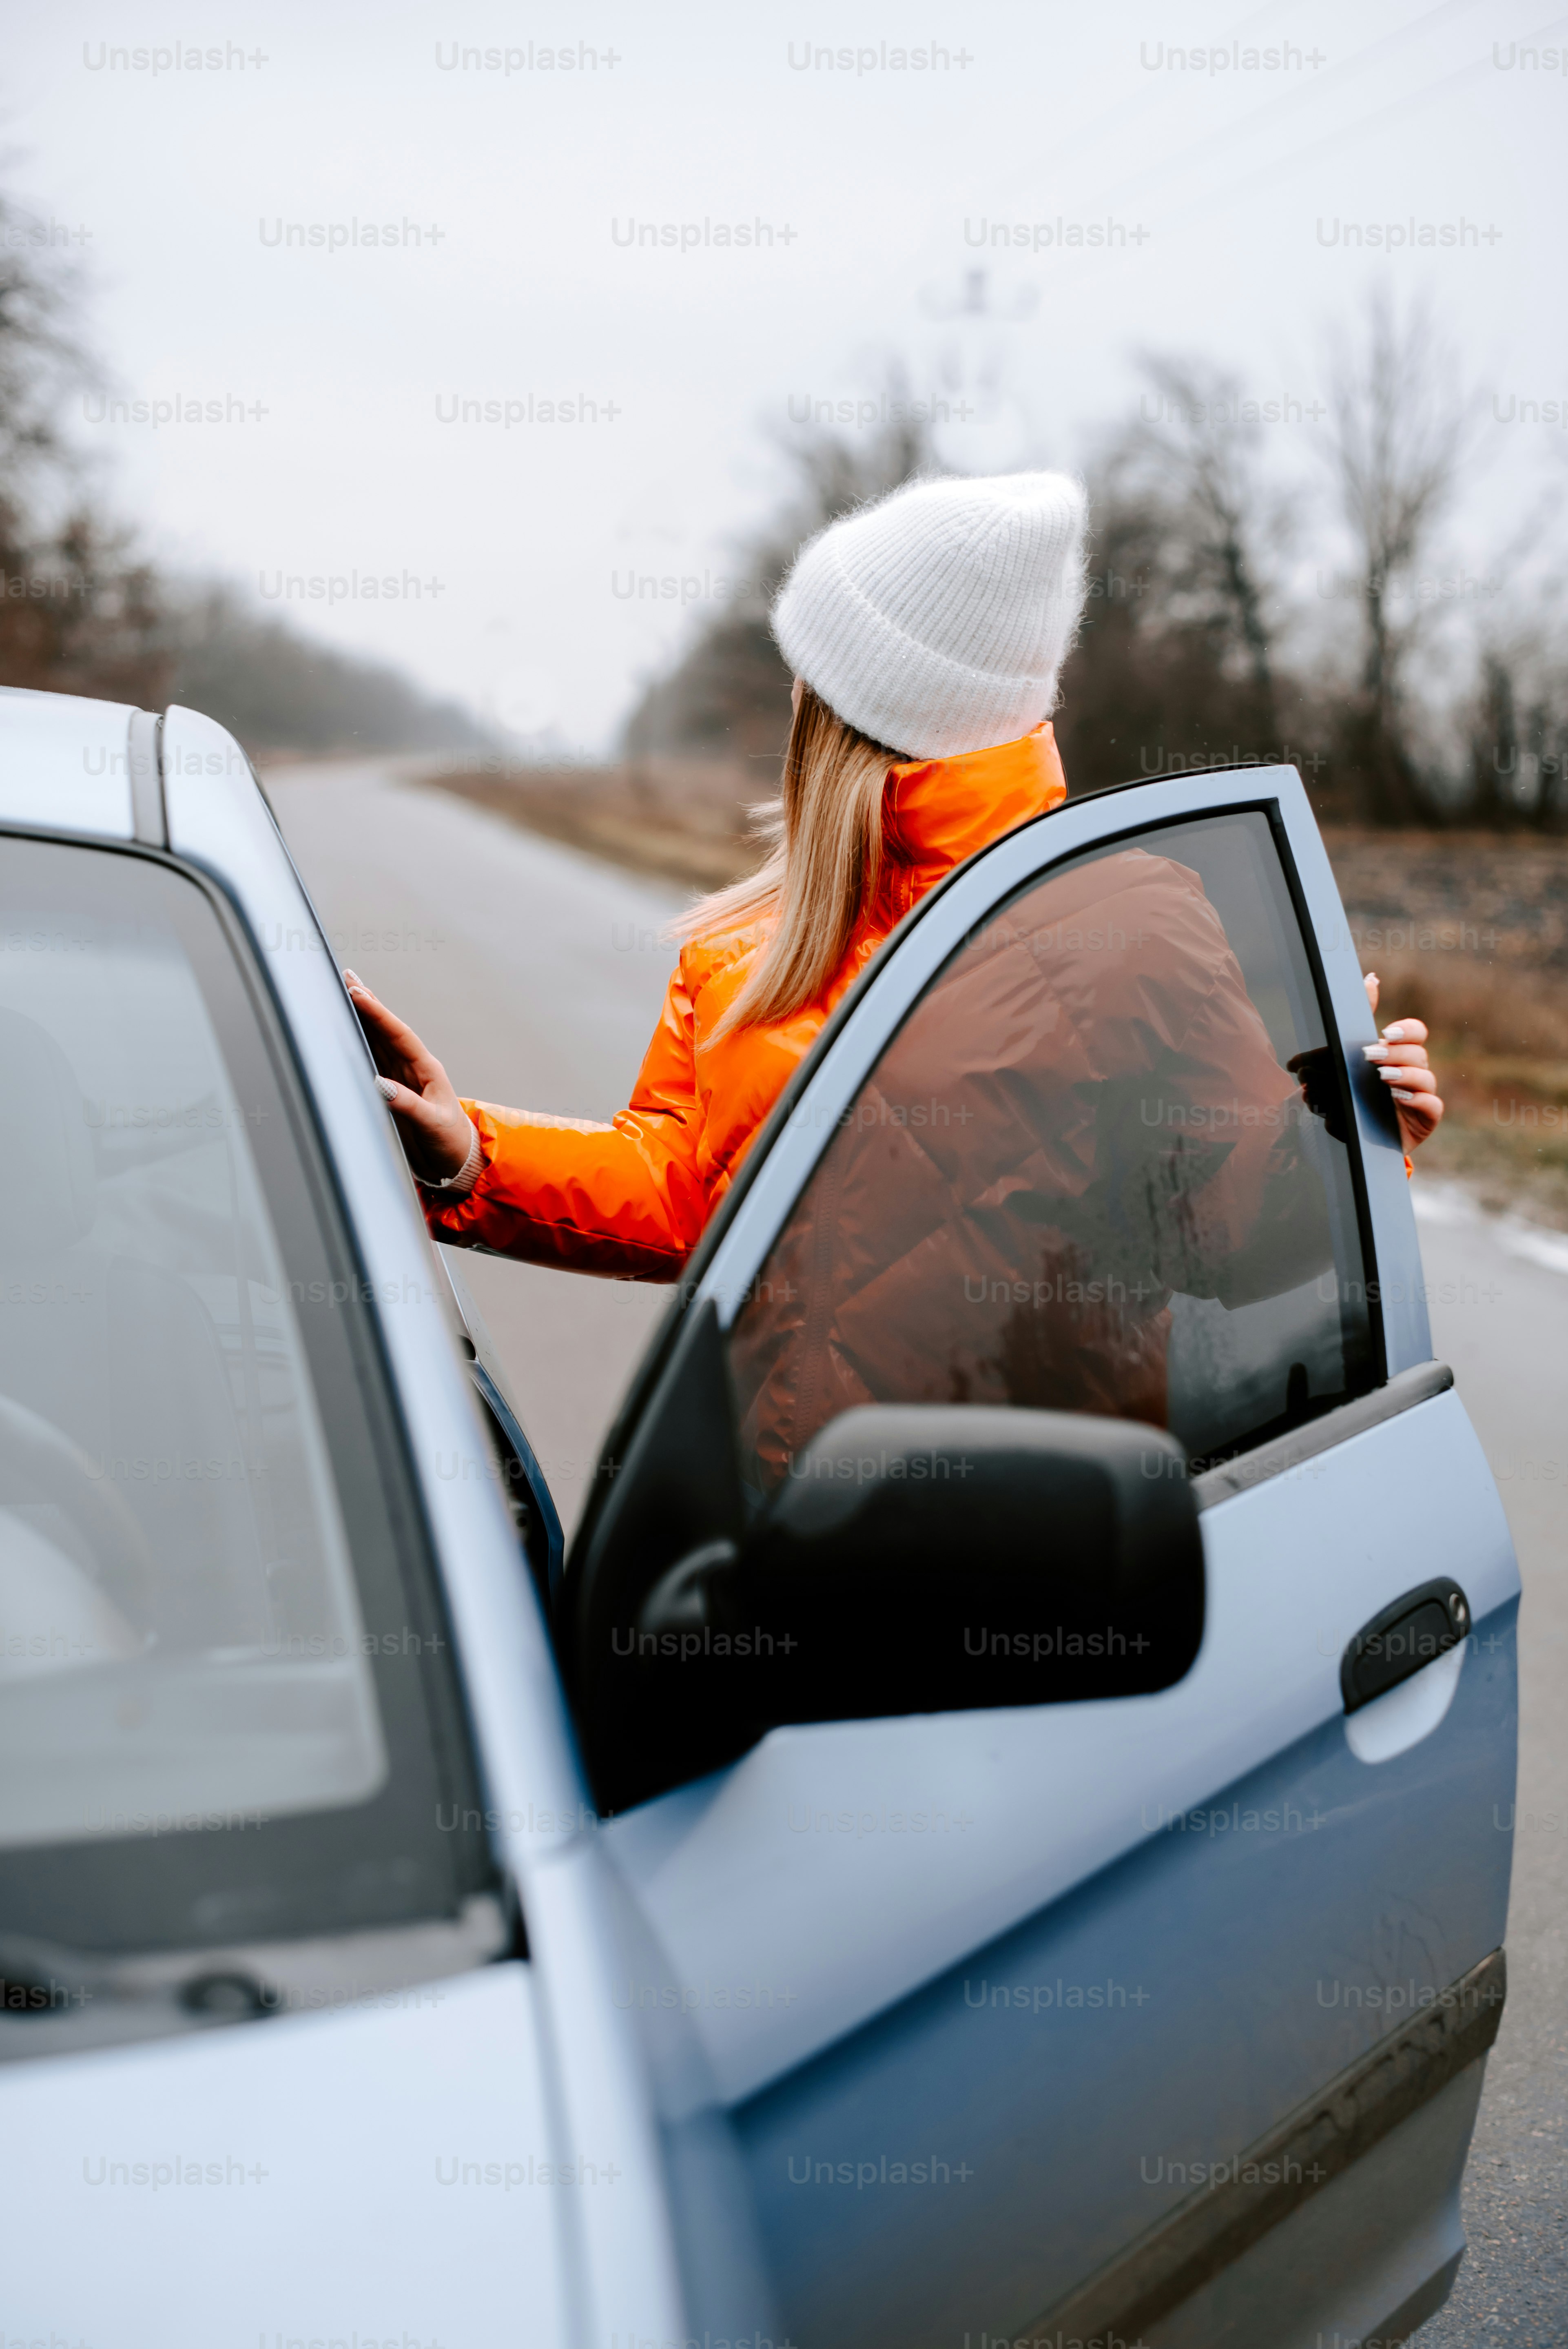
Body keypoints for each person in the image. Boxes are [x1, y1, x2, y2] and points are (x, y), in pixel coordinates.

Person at [348, 472, 1442, 1303]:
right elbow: (687, 1196)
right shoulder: (744, 951)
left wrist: (1347, 1129)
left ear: (843, 710)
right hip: (769, 1548)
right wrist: (473, 1154)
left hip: (1048, 1556)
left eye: (807, 673)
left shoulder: (1128, 929)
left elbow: (1230, 1239)